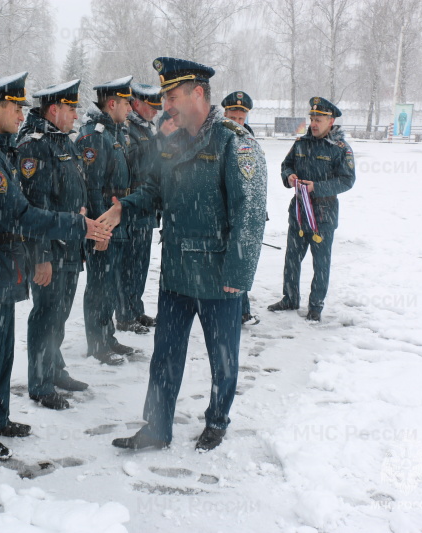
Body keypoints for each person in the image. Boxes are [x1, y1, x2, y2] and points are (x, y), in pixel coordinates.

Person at [100, 57, 267, 452]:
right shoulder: (171, 143)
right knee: (165, 357)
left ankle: (217, 420)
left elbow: (251, 212)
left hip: (218, 275)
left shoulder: (235, 141)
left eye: (172, 95)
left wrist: (238, 276)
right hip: (176, 273)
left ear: (198, 93)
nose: (167, 104)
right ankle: (157, 428)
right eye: (164, 96)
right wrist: (124, 207)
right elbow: (154, 191)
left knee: (222, 358)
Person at [0, 72, 110, 461]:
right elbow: (20, 214)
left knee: (2, 351)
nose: (22, 113)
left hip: (1, 267)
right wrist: (76, 225)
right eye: (15, 106)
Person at [15, 79, 90, 411]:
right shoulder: (35, 146)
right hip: (51, 249)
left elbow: (71, 187)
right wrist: (41, 256)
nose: (76, 115)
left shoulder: (64, 141)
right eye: (71, 108)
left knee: (59, 314)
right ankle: (41, 383)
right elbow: (35, 205)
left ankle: (56, 370)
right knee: (46, 315)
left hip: (71, 243)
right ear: (54, 109)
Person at [267, 97, 355, 322]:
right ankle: (290, 298)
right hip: (298, 212)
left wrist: (317, 187)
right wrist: (289, 176)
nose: (314, 124)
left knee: (321, 263)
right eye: (312, 119)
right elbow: (286, 165)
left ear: (331, 121)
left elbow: (347, 180)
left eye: (319, 120)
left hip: (323, 215)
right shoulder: (300, 143)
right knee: (292, 259)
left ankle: (315, 306)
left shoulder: (340, 149)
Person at [76, 75, 144, 366]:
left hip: (118, 220)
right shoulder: (94, 135)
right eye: (126, 102)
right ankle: (97, 342)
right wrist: (100, 230)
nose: (131, 108)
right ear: (112, 103)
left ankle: (108, 335)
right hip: (103, 223)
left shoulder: (116, 132)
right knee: (99, 284)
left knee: (111, 280)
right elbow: (90, 186)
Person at [116, 82, 163, 333]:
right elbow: (131, 160)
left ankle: (136, 309)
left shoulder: (146, 128)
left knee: (141, 263)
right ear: (136, 104)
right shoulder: (127, 128)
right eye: (151, 106)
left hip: (146, 206)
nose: (156, 111)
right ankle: (124, 315)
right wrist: (158, 143)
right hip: (133, 203)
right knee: (129, 265)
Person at [222, 90, 261, 325]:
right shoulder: (217, 136)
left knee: (241, 256)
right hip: (225, 210)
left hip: (243, 208)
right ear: (224, 113)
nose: (237, 123)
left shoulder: (249, 136)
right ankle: (233, 310)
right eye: (233, 117)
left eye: (241, 118)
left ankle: (242, 310)